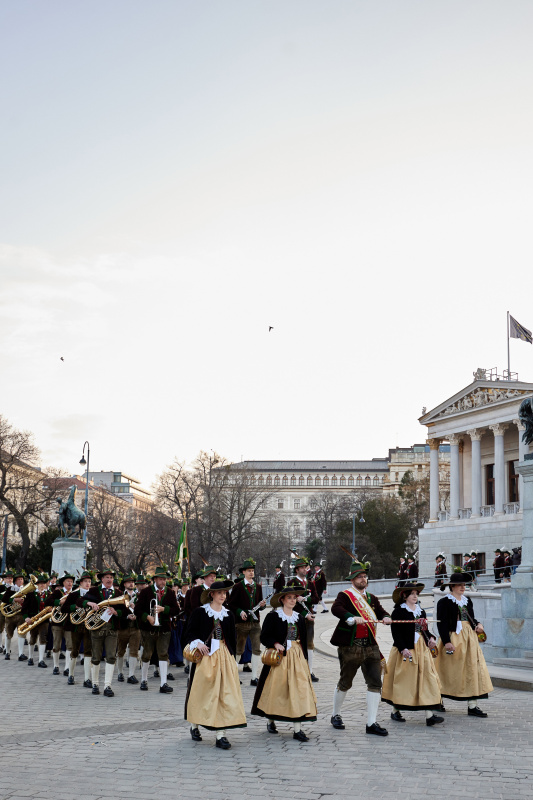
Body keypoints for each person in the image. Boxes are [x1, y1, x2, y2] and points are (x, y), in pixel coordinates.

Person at [330, 560, 392, 736]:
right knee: (345, 682)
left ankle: (371, 723)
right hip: (351, 646)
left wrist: (386, 617)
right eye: (359, 577)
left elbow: (380, 612)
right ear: (352, 580)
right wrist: (350, 617)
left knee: (374, 682)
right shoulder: (346, 595)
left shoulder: (372, 598)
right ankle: (336, 714)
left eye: (365, 576)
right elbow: (336, 609)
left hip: (371, 646)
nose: (363, 579)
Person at [184, 579, 246, 750]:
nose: (222, 596)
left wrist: (232, 659)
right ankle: (194, 725)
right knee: (202, 693)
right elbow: (189, 633)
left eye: (224, 593)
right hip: (205, 658)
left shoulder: (229, 614)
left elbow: (232, 639)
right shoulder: (200, 612)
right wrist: (198, 643)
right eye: (219, 593)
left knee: (224, 694)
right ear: (211, 594)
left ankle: (221, 734)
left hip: (224, 657)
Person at [251, 586, 317, 741]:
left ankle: (297, 728)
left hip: (297, 656)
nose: (292, 601)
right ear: (282, 600)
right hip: (279, 658)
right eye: (289, 598)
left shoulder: (299, 617)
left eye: (294, 598)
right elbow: (264, 637)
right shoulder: (273, 616)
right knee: (277, 690)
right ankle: (271, 720)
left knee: (299, 689)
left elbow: (305, 640)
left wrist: (305, 659)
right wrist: (275, 643)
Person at [381, 581, 443, 726]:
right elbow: (396, 633)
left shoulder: (420, 611)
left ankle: (429, 715)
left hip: (421, 648)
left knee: (427, 678)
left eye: (416, 594)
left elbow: (424, 630)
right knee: (405, 681)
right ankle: (395, 710)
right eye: (412, 594)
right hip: (406, 649)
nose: (415, 596)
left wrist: (431, 639)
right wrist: (403, 649)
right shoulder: (399, 612)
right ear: (405, 596)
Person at [434, 573, 493, 716]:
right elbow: (441, 624)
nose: (462, 587)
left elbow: (471, 618)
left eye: (464, 585)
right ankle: (437, 700)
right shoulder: (444, 602)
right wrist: (447, 642)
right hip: (453, 638)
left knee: (472, 669)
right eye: (459, 585)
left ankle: (472, 705)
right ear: (452, 586)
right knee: (446, 670)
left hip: (469, 639)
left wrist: (478, 624)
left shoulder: (468, 601)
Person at [83, 568, 127, 697]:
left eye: (111, 578)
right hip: (97, 629)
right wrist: (89, 603)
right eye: (107, 577)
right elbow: (80, 602)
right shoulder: (94, 591)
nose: (109, 580)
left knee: (111, 656)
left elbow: (125, 612)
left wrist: (116, 612)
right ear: (102, 579)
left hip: (112, 628)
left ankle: (108, 685)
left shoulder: (118, 592)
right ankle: (95, 684)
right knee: (96, 657)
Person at [135, 566, 178, 693]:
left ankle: (163, 683)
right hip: (148, 629)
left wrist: (164, 609)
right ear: (155, 580)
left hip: (164, 628)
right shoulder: (146, 592)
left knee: (163, 654)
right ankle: (144, 680)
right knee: (147, 653)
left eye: (164, 579)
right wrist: (147, 617)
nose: (163, 582)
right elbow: (137, 610)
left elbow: (176, 610)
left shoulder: (170, 592)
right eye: (160, 579)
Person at [228, 558, 266, 685]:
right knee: (239, 649)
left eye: (252, 571)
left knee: (256, 648)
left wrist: (262, 605)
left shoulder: (258, 587)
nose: (251, 573)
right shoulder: (238, 587)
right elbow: (231, 605)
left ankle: (254, 677)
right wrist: (240, 612)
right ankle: (233, 675)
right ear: (243, 572)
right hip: (241, 623)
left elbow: (261, 605)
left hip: (255, 622)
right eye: (249, 571)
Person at [286, 557, 319, 682]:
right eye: (303, 568)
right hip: (295, 618)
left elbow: (316, 598)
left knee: (310, 644)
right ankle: (294, 670)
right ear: (297, 569)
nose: (305, 570)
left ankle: (310, 672)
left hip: (309, 618)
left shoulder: (310, 583)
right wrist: (296, 601)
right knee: (294, 644)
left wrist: (305, 599)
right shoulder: (291, 584)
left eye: (306, 567)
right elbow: (289, 603)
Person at [116, 572, 141, 684]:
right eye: (129, 582)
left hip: (135, 626)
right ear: (124, 584)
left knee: (134, 651)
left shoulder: (139, 595)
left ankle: (131, 674)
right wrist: (126, 613)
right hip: (123, 626)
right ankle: (120, 672)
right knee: (121, 650)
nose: (131, 584)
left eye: (132, 582)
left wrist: (137, 610)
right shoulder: (120, 594)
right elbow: (116, 611)